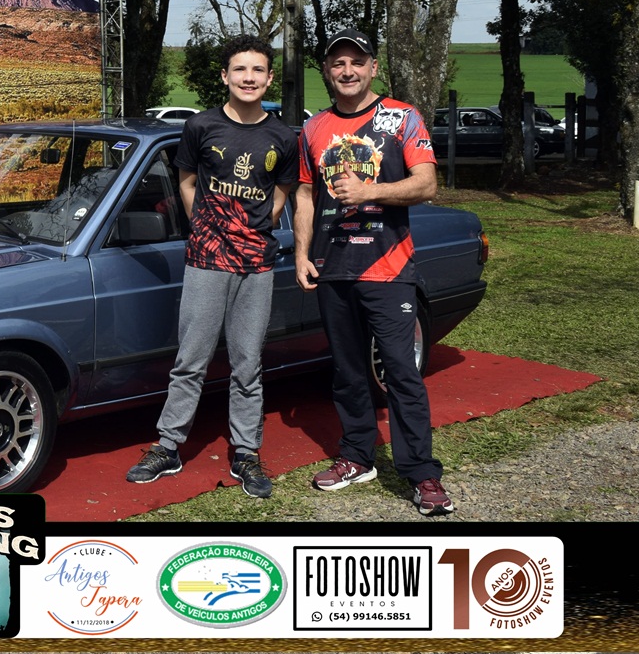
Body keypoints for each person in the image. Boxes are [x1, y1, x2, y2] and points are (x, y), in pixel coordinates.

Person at [125, 34, 298, 499]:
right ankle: (168, 447)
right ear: (225, 76)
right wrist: (206, 227)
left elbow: (280, 197)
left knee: (247, 364)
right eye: (240, 69)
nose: (248, 78)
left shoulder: (283, 136)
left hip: (256, 264)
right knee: (190, 361)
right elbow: (186, 183)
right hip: (205, 259)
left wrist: (250, 232)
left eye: (257, 70)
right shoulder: (200, 126)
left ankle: (246, 452)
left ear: (268, 78)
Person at [293, 29, 454, 517]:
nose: (347, 71)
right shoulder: (314, 128)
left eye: (356, 62)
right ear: (327, 71)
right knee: (346, 372)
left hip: (389, 267)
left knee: (401, 372)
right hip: (332, 267)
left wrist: (369, 192)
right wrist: (301, 253)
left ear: (373, 68)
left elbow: (427, 184)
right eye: (338, 63)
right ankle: (357, 456)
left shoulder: (401, 117)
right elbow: (305, 193)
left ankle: (422, 474)